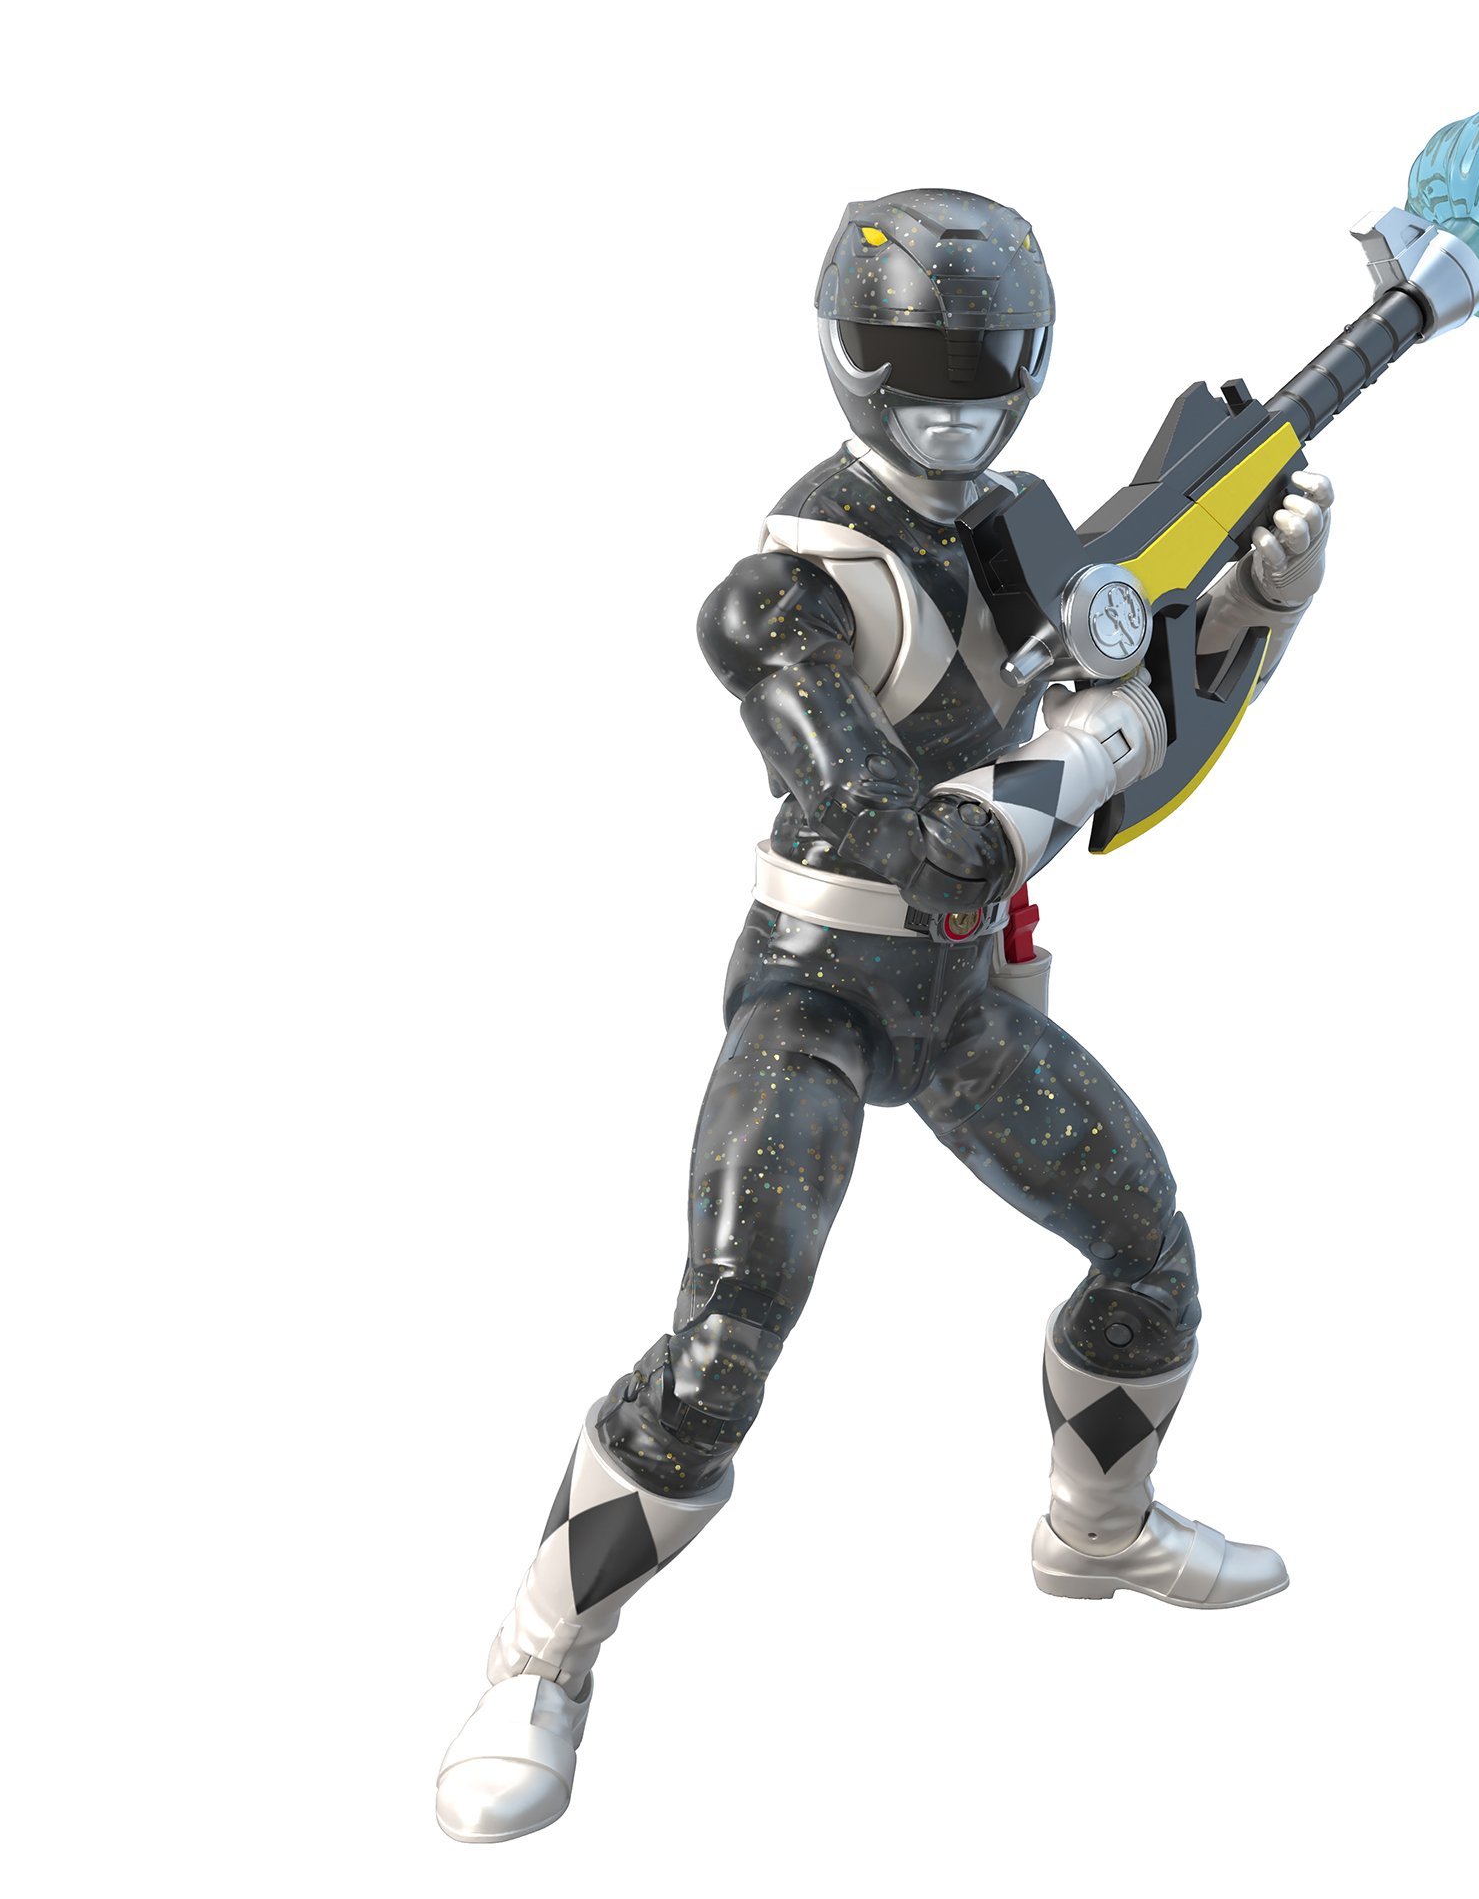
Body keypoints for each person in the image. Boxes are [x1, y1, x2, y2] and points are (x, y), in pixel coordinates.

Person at [436, 188, 1330, 1843]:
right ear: (855, 366)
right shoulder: (782, 591)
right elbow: (900, 828)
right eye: (924, 384)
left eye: (985, 382)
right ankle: (540, 1656)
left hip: (964, 997)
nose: (955, 421)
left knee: (1150, 1253)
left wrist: (1250, 619)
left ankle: (1097, 1526)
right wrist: (1096, 743)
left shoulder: (1031, 530)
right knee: (724, 1339)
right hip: (822, 988)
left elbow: (1143, 740)